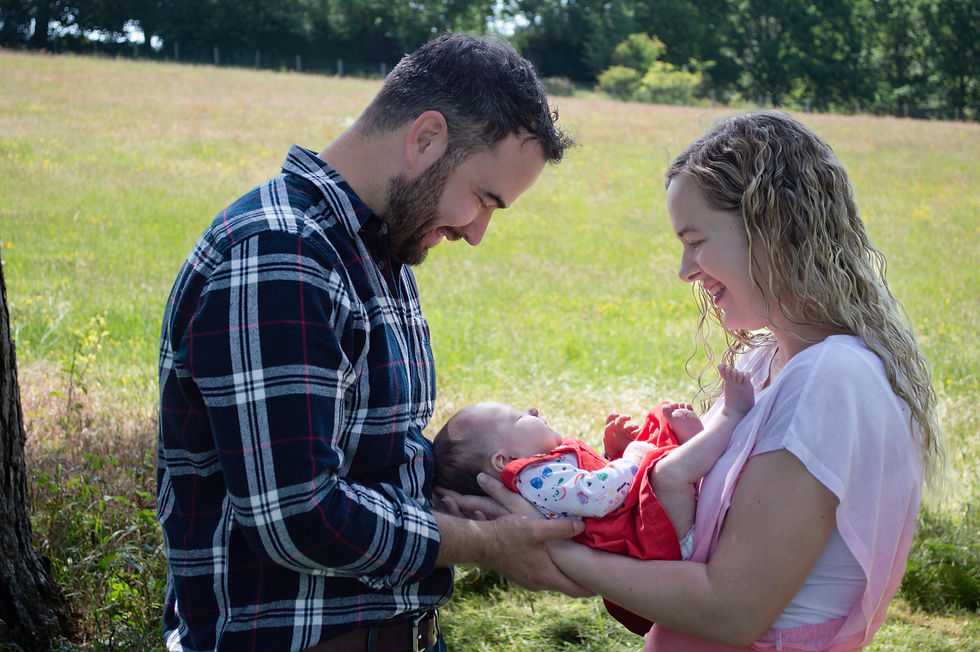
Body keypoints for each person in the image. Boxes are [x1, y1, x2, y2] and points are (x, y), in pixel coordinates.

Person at [156, 33, 581, 652]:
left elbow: (375, 459)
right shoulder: (283, 256)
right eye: (484, 199)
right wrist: (487, 546)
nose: (478, 232)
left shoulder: (380, 253)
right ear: (426, 139)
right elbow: (298, 517)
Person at [466, 111, 943, 651]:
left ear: (772, 229)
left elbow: (732, 608)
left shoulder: (829, 379)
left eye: (696, 240)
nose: (685, 269)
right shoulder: (769, 364)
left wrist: (549, 547)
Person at [433, 365, 754, 634]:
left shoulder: (540, 478)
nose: (532, 410)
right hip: (653, 547)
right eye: (518, 417)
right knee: (667, 474)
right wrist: (632, 456)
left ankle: (700, 452)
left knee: (658, 462)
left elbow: (583, 496)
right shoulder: (532, 477)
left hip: (644, 538)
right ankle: (730, 416)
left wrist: (609, 454)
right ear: (503, 461)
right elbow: (598, 496)